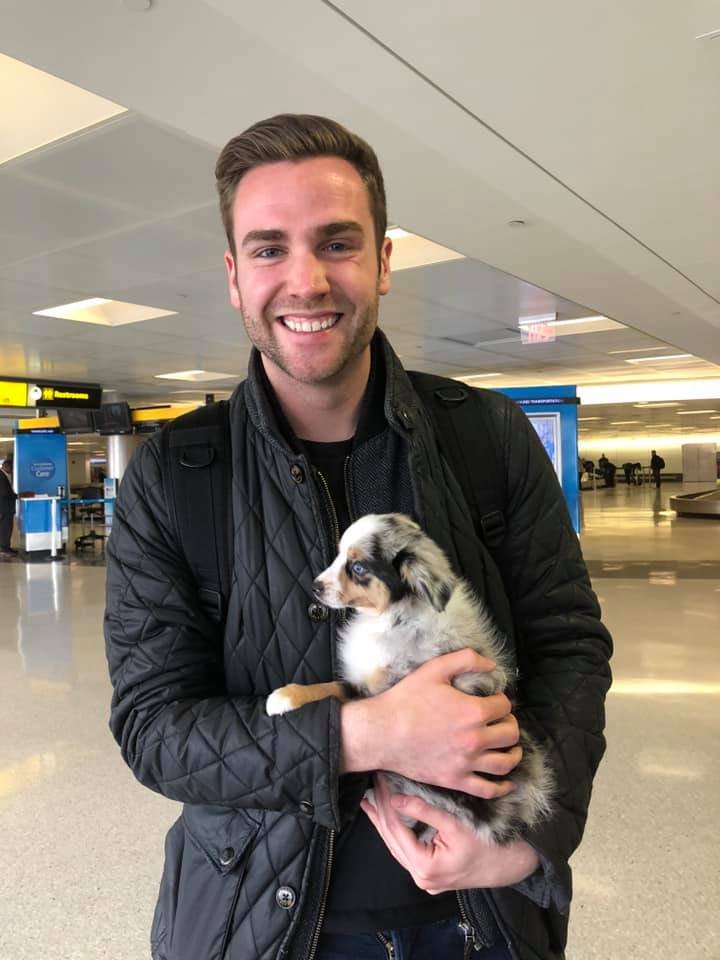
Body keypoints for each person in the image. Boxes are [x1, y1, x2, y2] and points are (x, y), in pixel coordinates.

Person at [104, 115, 612, 960]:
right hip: (254, 925)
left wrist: (529, 837)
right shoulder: (175, 475)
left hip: (480, 919)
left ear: (382, 260)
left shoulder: (485, 438)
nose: (305, 281)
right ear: (234, 277)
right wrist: (366, 734)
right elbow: (154, 729)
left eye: (337, 242)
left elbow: (569, 646)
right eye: (268, 249)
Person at [0, 458, 18, 558]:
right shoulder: (1, 476)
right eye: (11, 468)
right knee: (5, 528)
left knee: (6, 528)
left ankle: (6, 547)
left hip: (5, 507)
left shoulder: (3, 475)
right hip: (4, 508)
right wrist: (16, 496)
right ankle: (4, 548)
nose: (12, 471)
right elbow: (4, 493)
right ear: (6, 466)